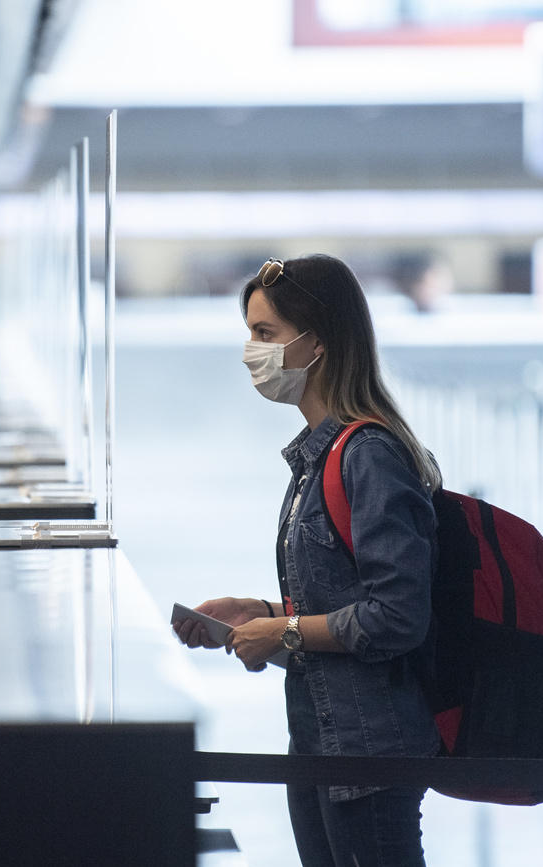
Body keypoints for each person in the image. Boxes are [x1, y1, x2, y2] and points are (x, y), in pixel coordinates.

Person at [173, 254, 442, 867]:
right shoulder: (318, 459)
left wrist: (285, 632)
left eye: (265, 334)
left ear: (317, 342)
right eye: (249, 332)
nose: (251, 350)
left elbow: (398, 615)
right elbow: (346, 595)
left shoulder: (368, 455)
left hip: (369, 755)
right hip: (320, 745)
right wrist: (262, 613)